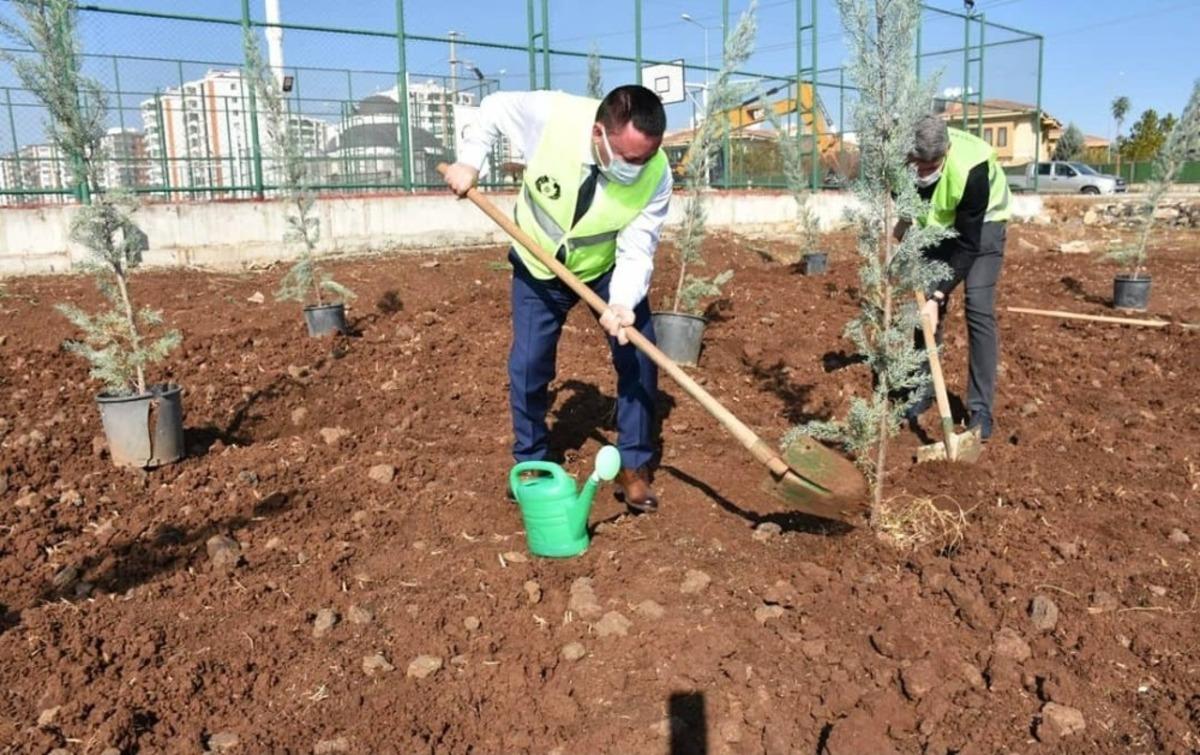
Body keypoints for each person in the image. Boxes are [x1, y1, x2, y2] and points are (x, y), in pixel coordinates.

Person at [443, 85, 672, 512]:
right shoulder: (552, 116)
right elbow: (492, 108)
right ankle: (530, 460)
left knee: (639, 355)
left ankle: (634, 465)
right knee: (529, 363)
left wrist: (623, 302)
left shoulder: (657, 174)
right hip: (538, 264)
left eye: (646, 157)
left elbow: (639, 246)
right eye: (628, 158)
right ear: (599, 133)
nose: (637, 168)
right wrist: (470, 161)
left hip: (605, 268)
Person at [900, 114, 1011, 441]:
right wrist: (904, 222)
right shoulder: (903, 158)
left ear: (946, 153)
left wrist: (939, 296)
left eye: (931, 166)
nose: (923, 172)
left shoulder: (971, 171)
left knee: (977, 305)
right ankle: (922, 388)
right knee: (924, 311)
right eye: (918, 165)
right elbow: (905, 199)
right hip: (938, 226)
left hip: (982, 227)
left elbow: (967, 244)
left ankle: (980, 409)